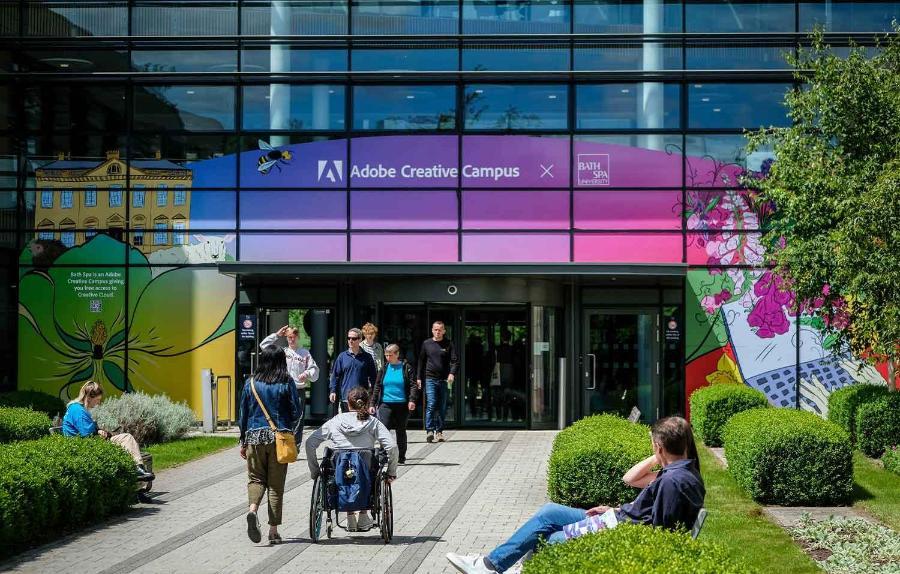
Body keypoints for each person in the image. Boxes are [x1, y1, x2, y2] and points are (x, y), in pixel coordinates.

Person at [445, 416, 705, 574]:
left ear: (660, 446)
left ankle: (495, 566)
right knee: (549, 512)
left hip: (619, 528)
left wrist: (615, 517)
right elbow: (631, 482)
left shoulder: (674, 481)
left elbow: (656, 531)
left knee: (551, 537)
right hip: (616, 517)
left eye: (654, 445)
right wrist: (614, 509)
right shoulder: (680, 472)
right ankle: (493, 564)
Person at [306, 386, 399, 532]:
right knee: (368, 466)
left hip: (339, 470)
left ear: (347, 403)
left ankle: (350, 517)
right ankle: (363, 515)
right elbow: (392, 447)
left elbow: (310, 443)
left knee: (342, 469)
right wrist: (392, 471)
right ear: (367, 403)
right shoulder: (373, 423)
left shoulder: (335, 421)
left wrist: (315, 471)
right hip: (366, 472)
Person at [238, 345, 304, 545]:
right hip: (278, 439)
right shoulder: (286, 382)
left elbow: (243, 414)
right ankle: (273, 531)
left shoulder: (250, 383)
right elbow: (296, 411)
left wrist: (243, 440)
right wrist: (292, 433)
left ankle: (252, 510)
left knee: (256, 479)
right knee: (276, 486)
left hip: (254, 438)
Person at [62, 380, 155, 483]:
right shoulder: (78, 411)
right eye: (97, 399)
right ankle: (138, 472)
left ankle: (138, 475)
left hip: (82, 443)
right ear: (88, 397)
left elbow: (88, 431)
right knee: (126, 441)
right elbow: (87, 436)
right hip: (83, 446)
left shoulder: (76, 408)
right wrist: (100, 433)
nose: (98, 403)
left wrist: (99, 431)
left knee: (127, 441)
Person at [369, 343, 419, 464]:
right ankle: (382, 456)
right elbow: (377, 386)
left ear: (397, 354)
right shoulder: (384, 368)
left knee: (400, 431)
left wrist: (412, 400)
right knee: (384, 430)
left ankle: (401, 457)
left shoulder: (406, 367)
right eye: (386, 355)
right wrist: (372, 403)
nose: (387, 357)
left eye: (390, 355)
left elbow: (413, 385)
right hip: (385, 404)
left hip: (402, 405)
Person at [417, 320, 458, 443]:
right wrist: (418, 377)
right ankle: (429, 430)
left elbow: (455, 361)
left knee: (442, 406)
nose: (437, 332)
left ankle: (439, 431)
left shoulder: (449, 344)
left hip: (444, 379)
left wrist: (452, 373)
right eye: (435, 329)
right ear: (432, 330)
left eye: (440, 330)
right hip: (430, 378)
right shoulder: (426, 343)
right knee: (431, 403)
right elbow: (421, 361)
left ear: (444, 331)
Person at [259, 324, 319, 392]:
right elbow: (263, 345)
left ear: (298, 337)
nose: (292, 339)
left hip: (298, 390)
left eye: (294, 337)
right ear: (287, 338)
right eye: (290, 337)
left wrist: (306, 374)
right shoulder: (282, 352)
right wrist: (277, 335)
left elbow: (314, 370)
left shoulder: (305, 353)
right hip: (282, 389)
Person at [330, 327, 378, 413]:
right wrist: (333, 391)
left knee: (361, 425)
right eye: (349, 338)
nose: (350, 340)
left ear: (360, 339)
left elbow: (374, 378)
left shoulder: (367, 357)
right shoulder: (342, 356)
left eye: (354, 338)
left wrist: (373, 399)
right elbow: (335, 376)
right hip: (346, 398)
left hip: (362, 398)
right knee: (346, 425)